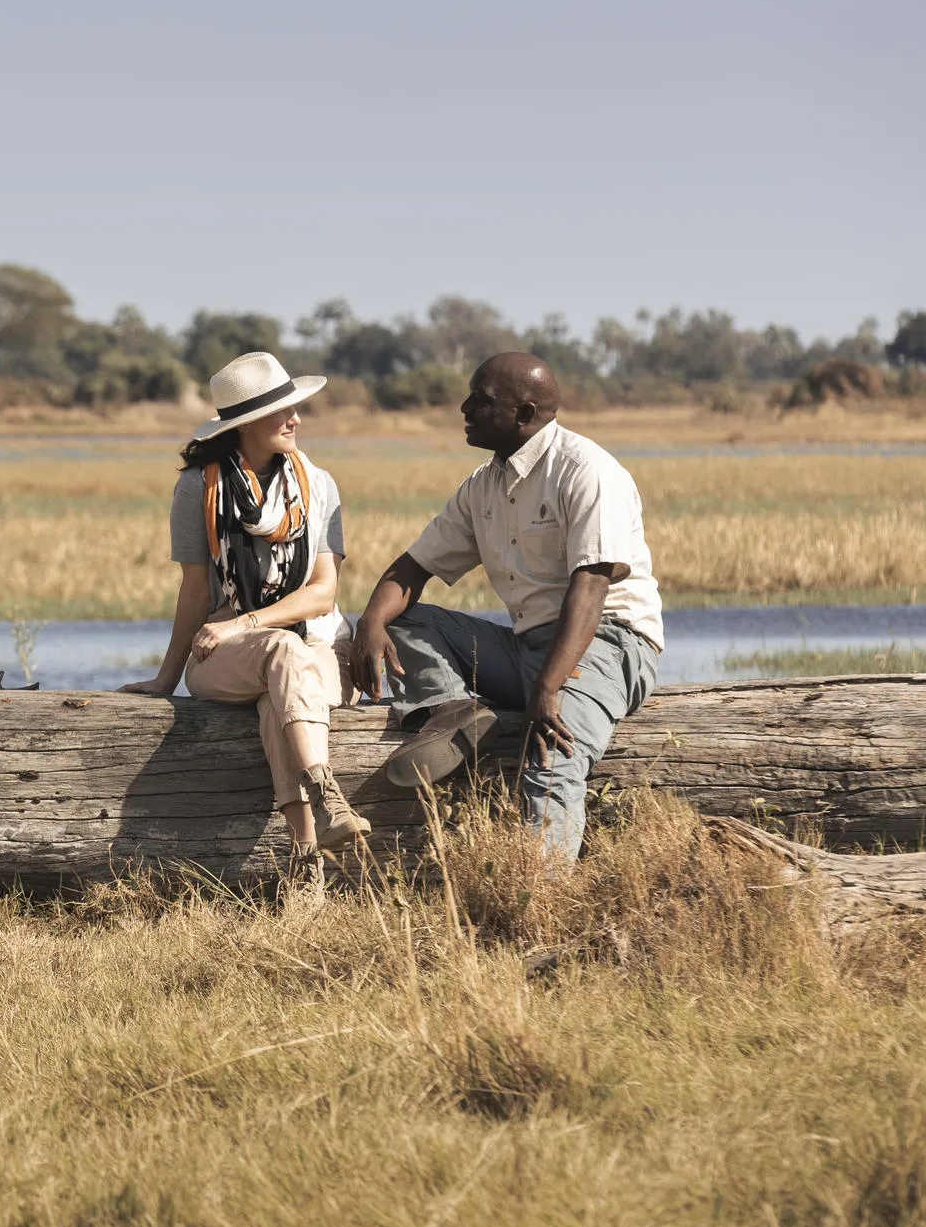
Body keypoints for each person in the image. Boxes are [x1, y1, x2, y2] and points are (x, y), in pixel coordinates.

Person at [350, 352, 663, 864]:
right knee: (402, 617)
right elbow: (413, 568)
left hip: (606, 641)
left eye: (481, 401)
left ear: (524, 414)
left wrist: (548, 687)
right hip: (526, 648)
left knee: (551, 754)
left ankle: (542, 901)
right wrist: (368, 621)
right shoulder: (483, 486)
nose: (464, 407)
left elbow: (591, 588)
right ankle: (452, 710)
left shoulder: (586, 471)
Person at [121, 352, 371, 869]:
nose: (295, 419)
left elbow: (324, 593)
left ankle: (307, 857)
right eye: (281, 411)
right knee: (281, 655)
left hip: (320, 645)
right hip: (228, 656)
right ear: (245, 424)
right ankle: (324, 797)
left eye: (295, 408)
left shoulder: (318, 485)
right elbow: (194, 593)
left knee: (280, 685)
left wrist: (243, 622)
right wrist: (167, 679)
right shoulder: (198, 488)